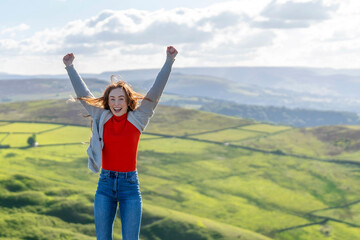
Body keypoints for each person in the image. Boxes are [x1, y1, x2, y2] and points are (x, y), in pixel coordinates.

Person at [63, 46, 178, 240]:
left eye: (121, 99)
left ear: (128, 101)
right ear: (108, 102)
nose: (117, 103)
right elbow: (84, 94)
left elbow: (155, 92)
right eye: (112, 99)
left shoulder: (139, 118)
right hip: (105, 185)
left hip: (130, 187)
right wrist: (70, 67)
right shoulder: (101, 115)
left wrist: (169, 61)